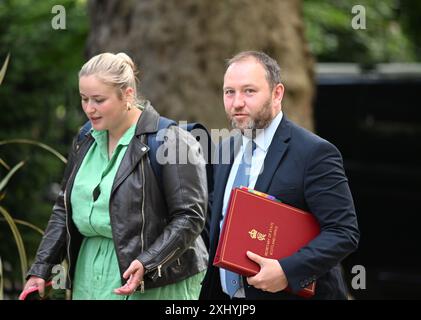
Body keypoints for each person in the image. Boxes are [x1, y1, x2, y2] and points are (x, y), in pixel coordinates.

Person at [22, 52, 208, 300]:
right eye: (84, 99)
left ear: (127, 95)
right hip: (88, 271)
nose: (89, 109)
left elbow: (189, 216)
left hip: (153, 280)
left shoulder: (171, 141)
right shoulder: (85, 137)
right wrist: (41, 269)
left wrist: (148, 263)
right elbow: (63, 208)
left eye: (99, 100)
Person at [199, 51, 360, 300]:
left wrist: (287, 271)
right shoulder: (225, 149)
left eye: (249, 91)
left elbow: (343, 232)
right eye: (229, 92)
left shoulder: (314, 153)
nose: (237, 102)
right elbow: (216, 227)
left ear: (277, 94)